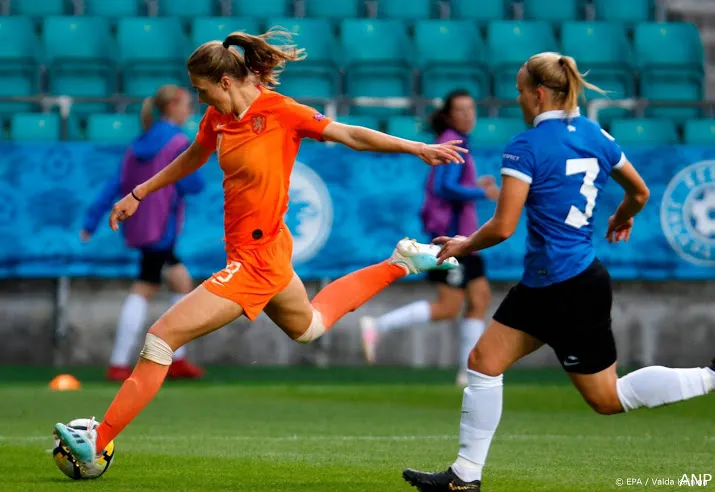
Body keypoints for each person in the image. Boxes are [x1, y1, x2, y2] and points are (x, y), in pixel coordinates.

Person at [54, 29, 466, 468]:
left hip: (257, 261)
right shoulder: (218, 117)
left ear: (225, 82)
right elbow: (195, 154)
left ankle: (97, 440)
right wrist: (140, 192)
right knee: (309, 327)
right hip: (260, 252)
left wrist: (417, 147)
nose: (200, 99)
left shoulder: (280, 111)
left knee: (160, 339)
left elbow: (350, 134)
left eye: (202, 89)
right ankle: (399, 263)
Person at [401, 52, 715, 492]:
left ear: (539, 93)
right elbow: (640, 191)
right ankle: (465, 476)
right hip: (572, 280)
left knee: (589, 392)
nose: (516, 97)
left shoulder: (526, 146)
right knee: (503, 367)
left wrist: (465, 243)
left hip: (558, 284)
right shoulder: (596, 134)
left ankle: (466, 476)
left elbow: (504, 226)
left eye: (519, 89)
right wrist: (623, 215)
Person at [359, 90, 499, 385]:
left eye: (471, 109)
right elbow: (444, 188)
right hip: (451, 239)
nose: (467, 115)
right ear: (449, 115)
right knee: (449, 306)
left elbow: (448, 185)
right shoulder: (453, 141)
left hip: (464, 239)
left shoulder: (459, 140)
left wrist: (474, 186)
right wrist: (480, 192)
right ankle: (378, 326)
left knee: (479, 298)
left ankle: (468, 372)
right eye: (460, 110)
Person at [81, 85, 206, 382]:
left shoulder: (138, 142)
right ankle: (119, 363)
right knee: (144, 287)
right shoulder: (177, 142)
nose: (190, 111)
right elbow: (195, 184)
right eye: (187, 105)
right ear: (173, 106)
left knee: (180, 279)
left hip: (142, 223)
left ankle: (177, 358)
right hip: (162, 224)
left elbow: (116, 183)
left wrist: (91, 220)